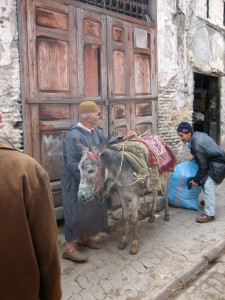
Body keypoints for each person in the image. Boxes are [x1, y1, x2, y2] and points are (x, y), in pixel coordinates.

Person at [61, 101, 137, 262]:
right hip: (76, 179)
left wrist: (124, 137)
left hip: (90, 177)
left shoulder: (93, 131)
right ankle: (69, 248)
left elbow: (107, 140)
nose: (98, 116)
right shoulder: (74, 136)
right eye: (96, 114)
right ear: (89, 116)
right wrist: (89, 181)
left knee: (87, 210)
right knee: (73, 210)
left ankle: (84, 239)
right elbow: (72, 163)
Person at [0, 111, 62, 300]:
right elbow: (47, 251)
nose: (97, 115)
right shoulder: (26, 170)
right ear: (1, 118)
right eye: (94, 113)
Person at [177, 121, 225, 223]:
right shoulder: (197, 135)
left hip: (218, 165)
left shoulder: (196, 145)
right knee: (204, 182)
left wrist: (195, 180)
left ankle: (210, 214)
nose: (181, 138)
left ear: (189, 133)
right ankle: (208, 201)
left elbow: (203, 167)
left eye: (182, 135)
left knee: (208, 185)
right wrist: (194, 156)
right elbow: (205, 149)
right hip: (213, 161)